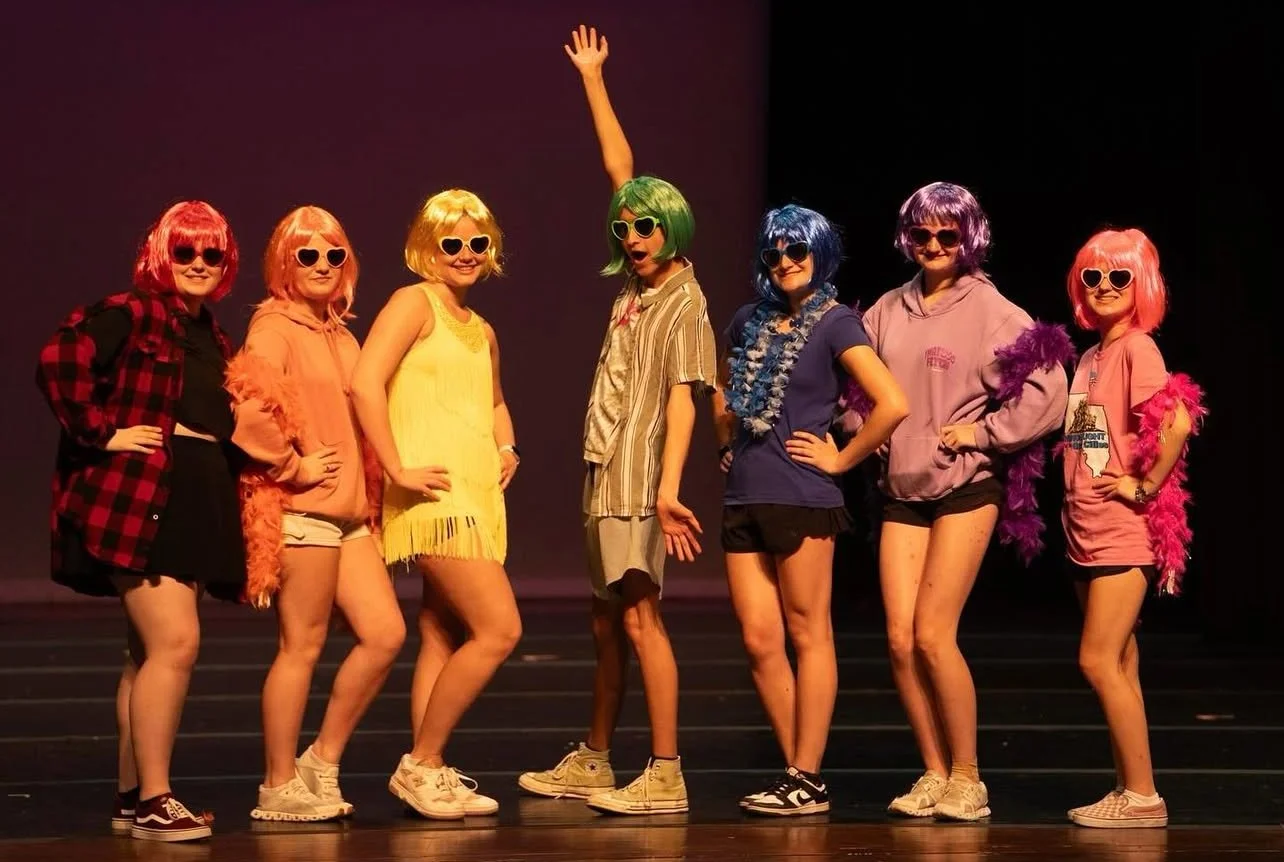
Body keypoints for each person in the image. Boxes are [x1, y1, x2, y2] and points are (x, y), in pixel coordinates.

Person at [515, 24, 717, 816]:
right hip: (606, 470)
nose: (631, 237)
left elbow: (684, 398)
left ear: (674, 230)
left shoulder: (685, 302)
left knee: (639, 620)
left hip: (638, 479)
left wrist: (667, 489)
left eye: (645, 227)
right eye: (623, 228)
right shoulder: (637, 287)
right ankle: (597, 758)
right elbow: (621, 170)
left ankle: (665, 772)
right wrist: (593, 80)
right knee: (606, 623)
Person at [849, 182, 1070, 821]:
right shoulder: (887, 309)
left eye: (948, 234)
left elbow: (1049, 387)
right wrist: (864, 432)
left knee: (933, 633)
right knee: (899, 640)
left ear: (968, 238)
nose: (934, 245)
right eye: (922, 234)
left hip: (966, 486)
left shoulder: (991, 310)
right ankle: (934, 770)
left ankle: (969, 778)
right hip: (902, 488)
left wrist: (983, 433)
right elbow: (854, 387)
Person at [35, 200, 246, 841]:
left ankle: (132, 798)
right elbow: (59, 358)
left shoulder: (210, 334)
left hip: (193, 500)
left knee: (147, 654)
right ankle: (157, 799)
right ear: (161, 255)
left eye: (211, 253)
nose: (199, 263)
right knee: (176, 644)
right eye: (185, 251)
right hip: (143, 501)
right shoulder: (135, 312)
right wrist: (101, 432)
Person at [714, 204, 908, 815]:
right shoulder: (747, 319)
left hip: (802, 496)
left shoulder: (836, 322)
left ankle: (807, 775)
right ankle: (794, 772)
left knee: (807, 633)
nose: (784, 262)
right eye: (773, 253)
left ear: (819, 254)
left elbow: (892, 402)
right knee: (758, 640)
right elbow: (724, 390)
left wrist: (842, 459)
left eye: (796, 251)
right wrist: (725, 440)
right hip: (744, 495)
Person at [226, 205, 406, 822]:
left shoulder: (341, 333)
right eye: (308, 255)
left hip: (348, 515)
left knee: (384, 634)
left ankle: (320, 761)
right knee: (301, 646)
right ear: (285, 261)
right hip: (305, 511)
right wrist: (291, 466)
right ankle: (277, 786)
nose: (323, 265)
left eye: (334, 254)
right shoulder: (274, 328)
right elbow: (249, 408)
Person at [350, 189, 522, 820]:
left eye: (478, 243)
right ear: (429, 248)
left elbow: (494, 400)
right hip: (435, 497)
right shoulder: (412, 303)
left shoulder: (482, 329)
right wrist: (395, 467)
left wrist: (507, 446)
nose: (466, 253)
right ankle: (420, 763)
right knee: (499, 629)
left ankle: (432, 769)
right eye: (453, 243)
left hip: (476, 496)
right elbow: (365, 382)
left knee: (442, 633)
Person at [1058, 227, 1205, 828]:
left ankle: (1143, 797)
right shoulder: (1091, 356)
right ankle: (1131, 789)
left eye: (1119, 277)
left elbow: (1176, 423)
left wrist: (1142, 487)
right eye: (1092, 276)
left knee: (1096, 660)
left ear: (1140, 284)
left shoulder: (1137, 349)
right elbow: (1087, 440)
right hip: (1084, 524)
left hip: (1121, 528)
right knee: (1119, 663)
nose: (1104, 287)